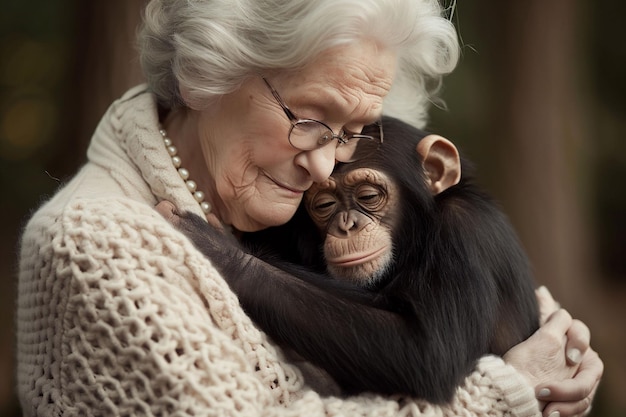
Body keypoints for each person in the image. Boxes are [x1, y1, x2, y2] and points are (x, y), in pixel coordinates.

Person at [16, 0, 602, 416]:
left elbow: (440, 306)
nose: (326, 169)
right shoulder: (95, 245)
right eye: (311, 120)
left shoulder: (274, 201)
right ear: (205, 75)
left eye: (349, 132)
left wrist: (555, 348)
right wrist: (511, 391)